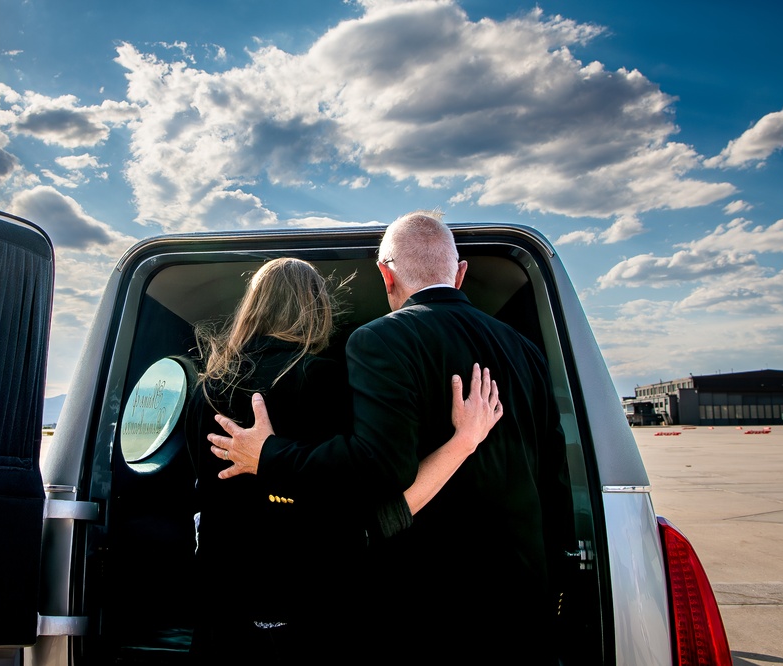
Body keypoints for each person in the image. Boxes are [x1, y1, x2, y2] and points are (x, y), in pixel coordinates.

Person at [208, 213, 577, 663]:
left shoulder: (380, 339)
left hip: (428, 606)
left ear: (385, 273)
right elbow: (555, 480)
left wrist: (271, 455)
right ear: (459, 273)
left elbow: (381, 467)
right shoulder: (527, 352)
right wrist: (556, 583)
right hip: (523, 601)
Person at [185, 256, 502, 663]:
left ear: (253, 306)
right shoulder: (322, 379)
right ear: (317, 310)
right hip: (309, 604)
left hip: (223, 602)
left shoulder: (206, 389)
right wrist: (463, 440)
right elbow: (361, 488)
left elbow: (203, 494)